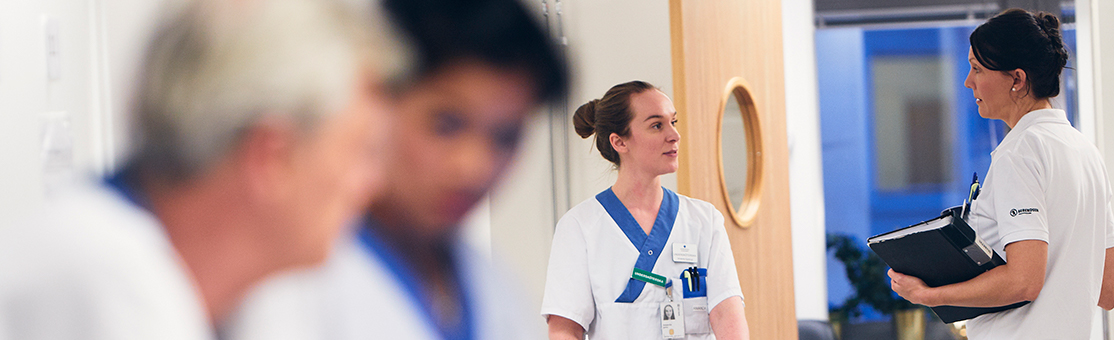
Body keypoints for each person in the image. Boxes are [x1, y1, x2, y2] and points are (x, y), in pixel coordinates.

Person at [0, 0, 402, 338]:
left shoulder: (243, 299)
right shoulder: (97, 285)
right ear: (271, 158)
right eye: (359, 152)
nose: (372, 184)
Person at [222, 0, 569, 339]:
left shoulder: (496, 290)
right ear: (375, 99)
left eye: (505, 137)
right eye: (445, 125)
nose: (474, 168)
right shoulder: (292, 279)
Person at [887, 8, 1114, 339]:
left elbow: (1024, 281)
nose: (968, 81)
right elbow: (1109, 290)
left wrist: (930, 295)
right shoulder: (1086, 152)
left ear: (1016, 79)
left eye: (977, 69)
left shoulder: (1020, 153)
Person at [542, 80, 749, 340]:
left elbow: (727, 315)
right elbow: (564, 329)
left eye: (673, 122)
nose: (674, 135)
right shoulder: (580, 226)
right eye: (656, 125)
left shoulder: (704, 221)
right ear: (619, 142)